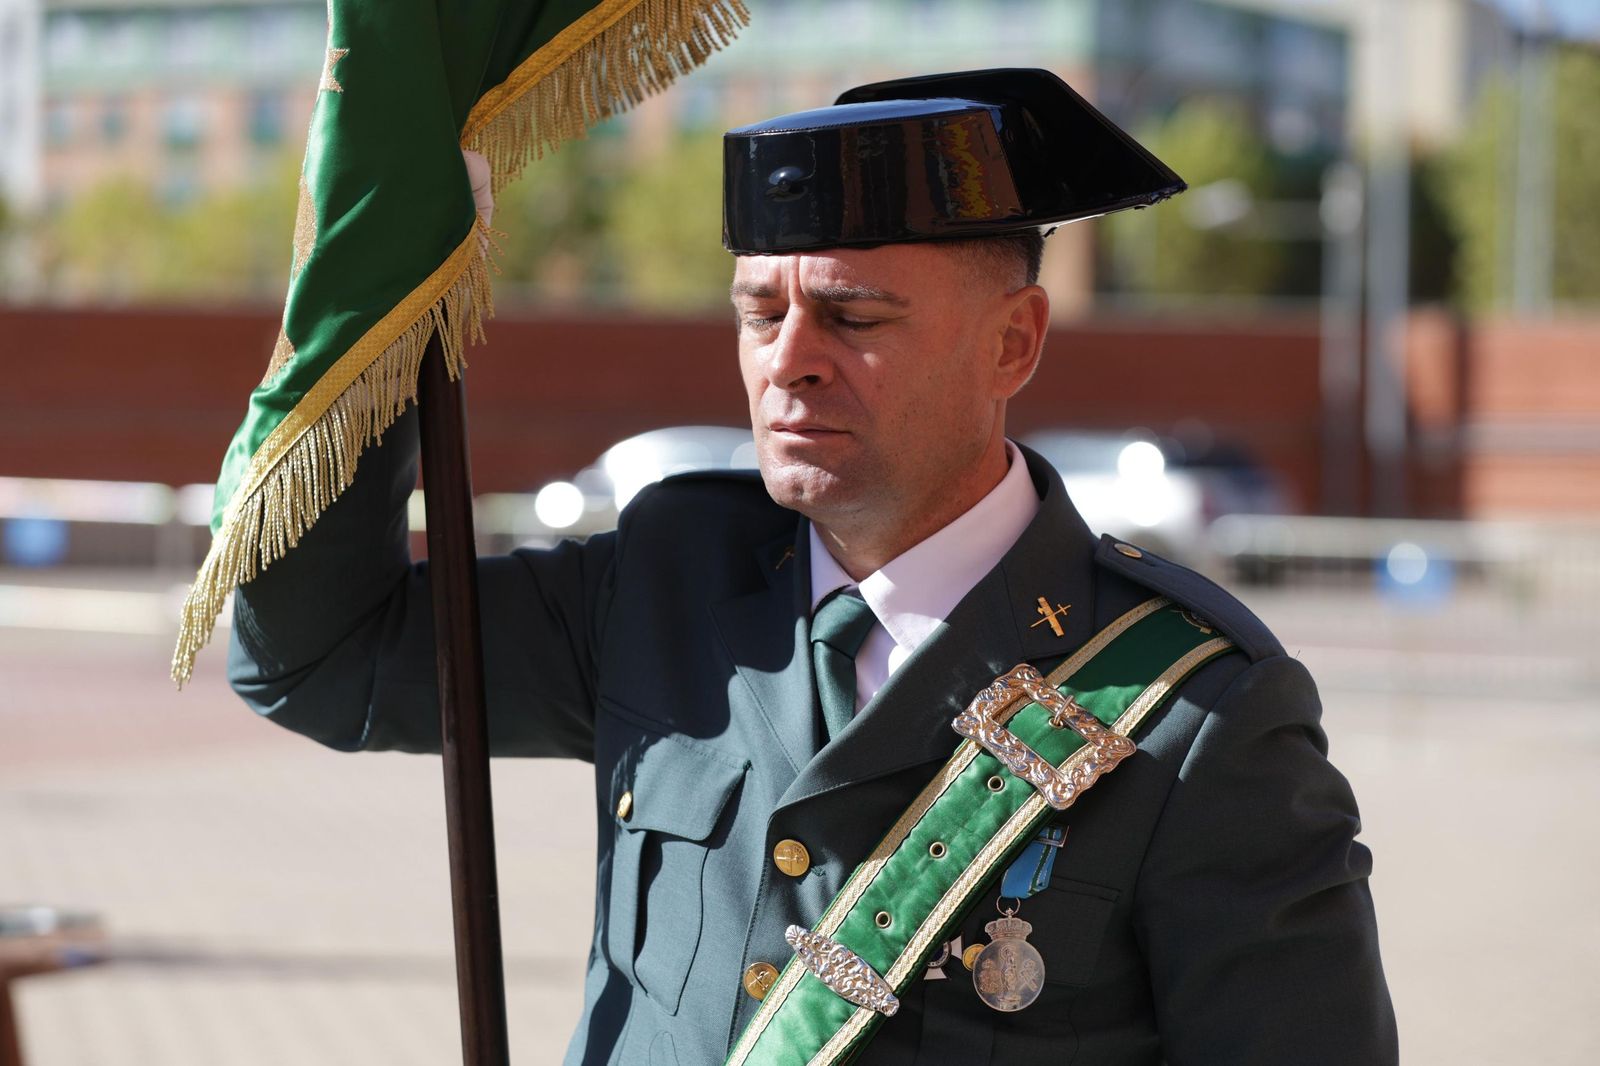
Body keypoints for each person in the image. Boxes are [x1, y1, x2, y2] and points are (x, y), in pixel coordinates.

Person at [228, 69, 1397, 1064]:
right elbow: (317, 661)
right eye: (758, 312)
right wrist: (375, 299)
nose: (788, 363)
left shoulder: (1192, 706)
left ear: (1014, 341)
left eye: (853, 319)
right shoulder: (668, 580)